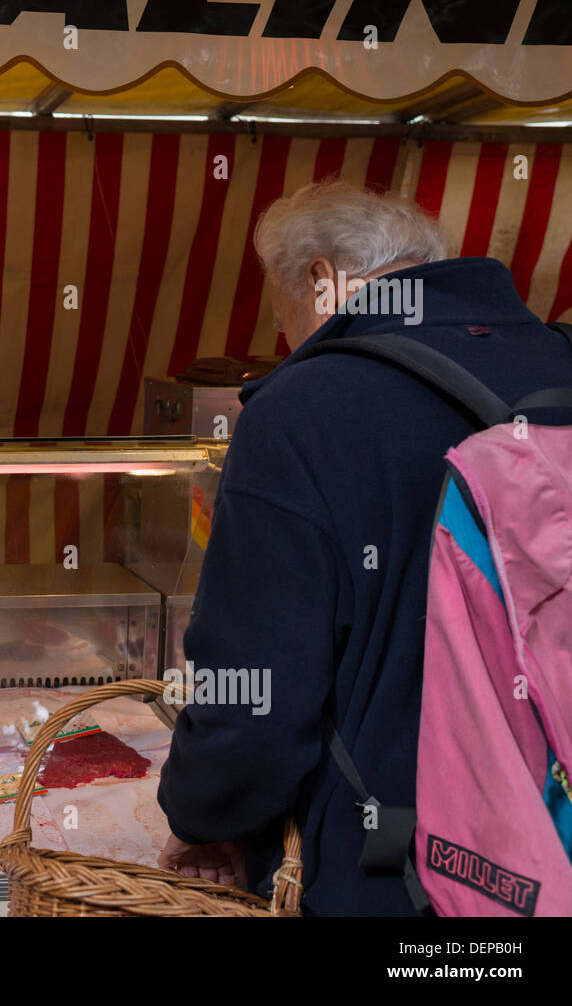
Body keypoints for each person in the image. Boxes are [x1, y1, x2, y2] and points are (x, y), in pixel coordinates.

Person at [155, 180, 572, 916]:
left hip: (395, 878)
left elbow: (257, 696)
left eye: (283, 312)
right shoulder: (558, 361)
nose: (288, 338)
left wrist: (205, 816)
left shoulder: (302, 410)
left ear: (321, 279)